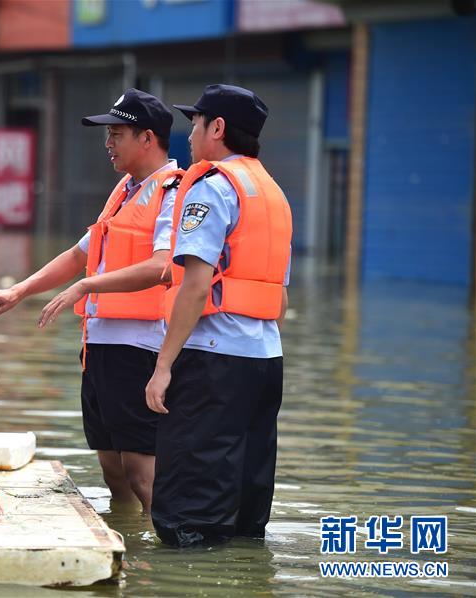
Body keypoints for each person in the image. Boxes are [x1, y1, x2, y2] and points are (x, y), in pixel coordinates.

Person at [0, 89, 182, 512]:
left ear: (148, 138)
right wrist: (20, 290)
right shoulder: (125, 190)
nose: (108, 143)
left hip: (142, 347)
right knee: (113, 472)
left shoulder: (173, 191)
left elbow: (164, 266)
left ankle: (166, 563)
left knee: (144, 475)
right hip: (102, 348)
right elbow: (78, 255)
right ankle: (130, 550)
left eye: (117, 133)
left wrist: (89, 286)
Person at [145, 84, 292, 547]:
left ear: (218, 128)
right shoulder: (272, 193)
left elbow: (195, 285)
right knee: (245, 508)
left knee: (188, 511)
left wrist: (164, 365)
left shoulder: (213, 188)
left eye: (196, 123)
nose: (189, 135)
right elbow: (279, 295)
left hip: (213, 361)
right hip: (266, 360)